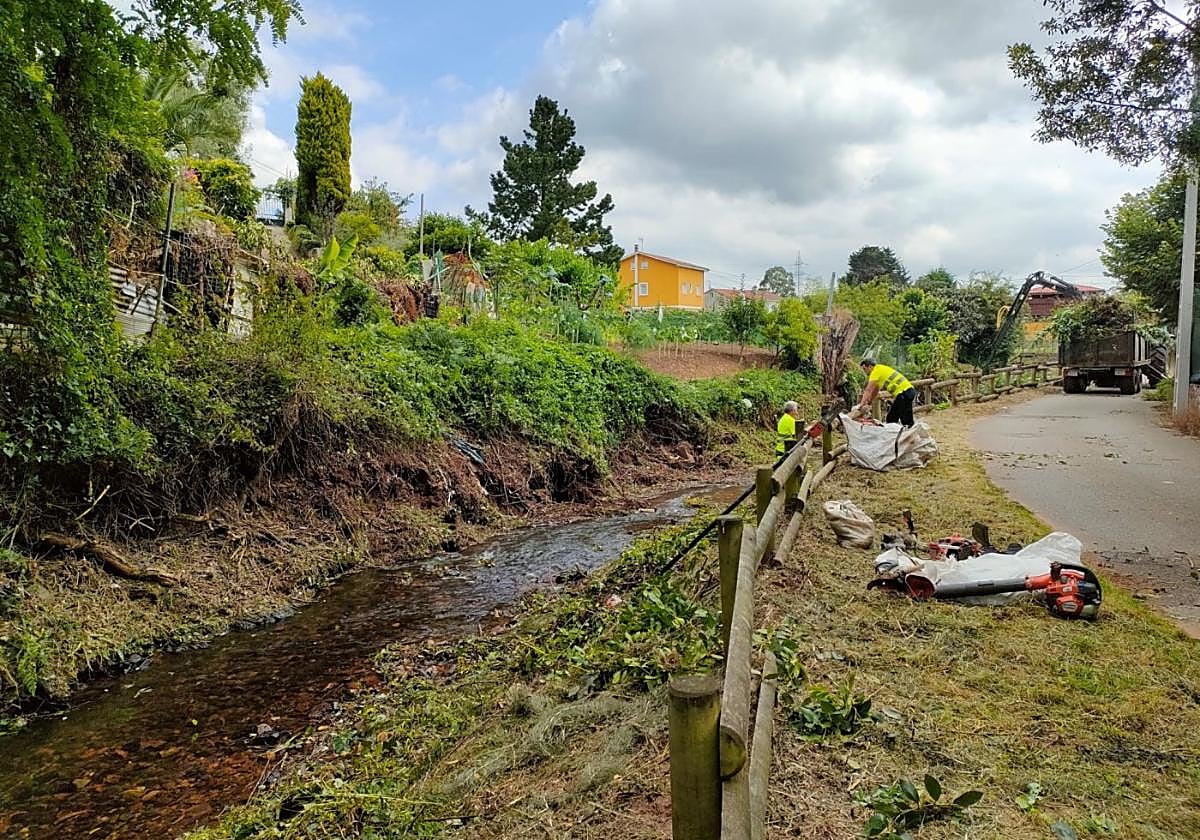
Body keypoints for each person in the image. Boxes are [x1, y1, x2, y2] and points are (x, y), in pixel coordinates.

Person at [858, 359, 916, 427]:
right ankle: (896, 434)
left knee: (904, 420)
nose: (864, 372)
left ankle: (909, 434)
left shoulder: (875, 372)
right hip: (906, 392)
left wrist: (861, 405)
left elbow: (868, 390)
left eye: (864, 369)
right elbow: (875, 390)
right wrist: (869, 402)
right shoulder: (880, 369)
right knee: (892, 417)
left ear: (870, 367)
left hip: (904, 393)